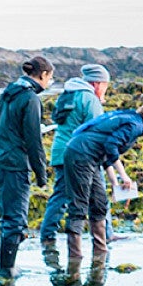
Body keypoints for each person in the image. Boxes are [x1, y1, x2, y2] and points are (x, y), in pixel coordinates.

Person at [62, 105, 143, 279]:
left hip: (92, 157)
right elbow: (111, 146)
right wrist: (124, 176)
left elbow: (105, 152)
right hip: (80, 154)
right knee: (79, 207)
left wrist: (115, 183)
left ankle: (100, 253)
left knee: (100, 204)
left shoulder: (133, 121)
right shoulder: (135, 126)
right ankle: (75, 259)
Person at [0, 55, 54, 282]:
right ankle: (7, 271)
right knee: (15, 221)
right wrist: (41, 173)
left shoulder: (9, 91)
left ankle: (6, 267)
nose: (49, 83)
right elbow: (34, 140)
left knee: (8, 217)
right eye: (50, 78)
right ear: (43, 75)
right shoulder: (31, 99)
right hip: (15, 165)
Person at [40, 64, 111, 258]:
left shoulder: (67, 94)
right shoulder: (90, 100)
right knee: (98, 194)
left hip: (59, 151)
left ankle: (47, 235)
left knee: (61, 195)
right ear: (97, 83)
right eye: (105, 84)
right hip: (81, 156)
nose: (106, 89)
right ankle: (107, 236)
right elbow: (99, 132)